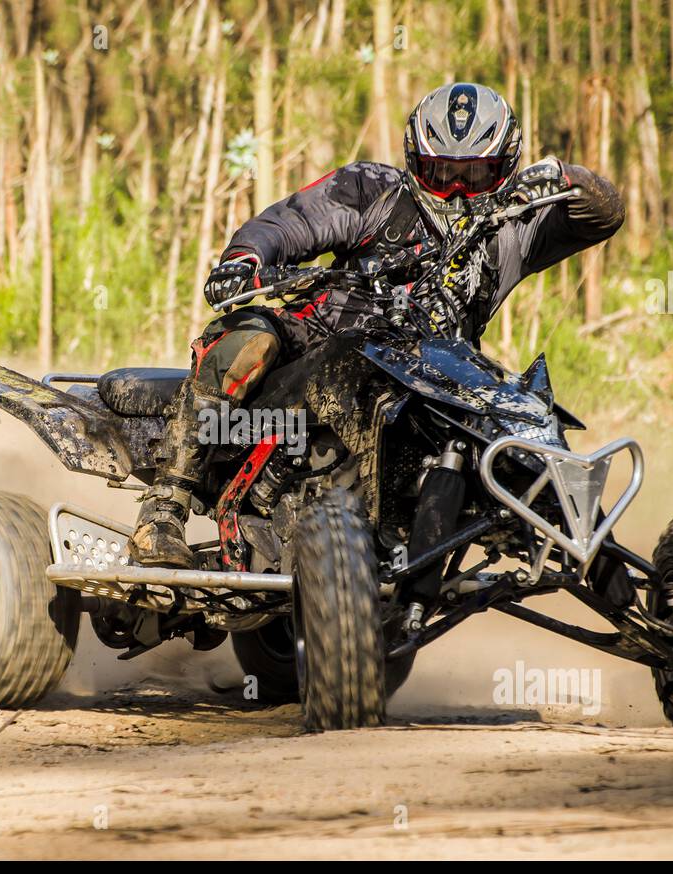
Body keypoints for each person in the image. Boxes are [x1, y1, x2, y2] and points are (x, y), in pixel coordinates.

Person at [129, 81, 625, 569]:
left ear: (505, 168)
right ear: (414, 160)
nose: (454, 189)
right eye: (439, 171)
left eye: (473, 173)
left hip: (438, 374)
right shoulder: (372, 188)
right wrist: (246, 258)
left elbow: (604, 215)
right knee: (247, 338)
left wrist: (566, 177)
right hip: (321, 342)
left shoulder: (518, 223)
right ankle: (163, 513)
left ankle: (608, 566)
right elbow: (289, 223)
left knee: (521, 413)